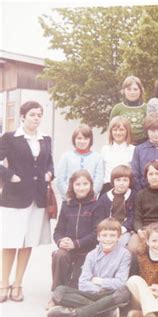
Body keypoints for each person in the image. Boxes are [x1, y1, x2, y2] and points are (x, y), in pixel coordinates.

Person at [0, 101, 54, 302]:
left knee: (27, 242)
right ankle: (3, 284)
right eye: (32, 114)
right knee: (9, 241)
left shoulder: (45, 139)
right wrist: (9, 175)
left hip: (36, 197)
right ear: (23, 116)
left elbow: (49, 162)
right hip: (14, 197)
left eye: (39, 115)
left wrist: (49, 173)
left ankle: (18, 285)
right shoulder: (10, 138)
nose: (36, 118)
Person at [47, 218, 132, 317]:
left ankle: (77, 313)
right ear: (98, 237)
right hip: (92, 293)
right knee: (59, 291)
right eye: (104, 235)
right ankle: (107, 311)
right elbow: (83, 283)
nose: (108, 239)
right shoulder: (92, 255)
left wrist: (100, 281)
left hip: (110, 294)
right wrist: (99, 289)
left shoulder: (124, 254)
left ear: (118, 237)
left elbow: (121, 282)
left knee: (125, 292)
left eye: (112, 236)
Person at [51, 170, 100, 295]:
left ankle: (71, 293)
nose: (81, 187)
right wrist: (61, 241)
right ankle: (57, 293)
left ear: (91, 185)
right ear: (72, 186)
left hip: (87, 251)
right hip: (68, 249)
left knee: (76, 286)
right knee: (59, 255)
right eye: (78, 184)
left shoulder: (96, 205)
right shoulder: (66, 205)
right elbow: (58, 231)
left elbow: (97, 233)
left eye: (85, 184)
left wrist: (76, 243)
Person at [56, 123, 104, 200]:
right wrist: (68, 196)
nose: (82, 141)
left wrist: (90, 195)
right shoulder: (66, 157)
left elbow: (99, 179)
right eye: (79, 138)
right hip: (69, 201)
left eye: (85, 138)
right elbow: (60, 180)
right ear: (74, 139)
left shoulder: (97, 157)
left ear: (90, 140)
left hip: (90, 201)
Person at [95, 165, 135, 249]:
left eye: (125, 180)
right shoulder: (105, 198)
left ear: (130, 182)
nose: (121, 183)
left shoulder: (133, 195)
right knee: (103, 245)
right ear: (113, 181)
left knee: (122, 242)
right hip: (108, 228)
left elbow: (133, 216)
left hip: (124, 229)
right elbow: (100, 217)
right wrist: (106, 229)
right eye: (118, 180)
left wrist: (123, 228)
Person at [133, 161, 158, 240]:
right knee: (133, 247)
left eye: (157, 174)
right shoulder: (140, 195)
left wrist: (157, 231)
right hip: (144, 229)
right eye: (150, 174)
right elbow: (137, 218)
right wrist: (139, 230)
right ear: (146, 177)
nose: (154, 177)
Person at [100, 115, 135, 195]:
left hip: (126, 188)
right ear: (111, 131)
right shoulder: (105, 149)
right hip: (108, 187)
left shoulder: (133, 150)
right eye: (115, 130)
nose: (118, 133)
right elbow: (101, 172)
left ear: (127, 131)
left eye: (121, 130)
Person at [110, 75, 148, 144]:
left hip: (143, 144)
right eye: (129, 89)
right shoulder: (117, 108)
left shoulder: (147, 108)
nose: (132, 92)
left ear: (141, 90)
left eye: (135, 89)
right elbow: (111, 130)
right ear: (123, 91)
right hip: (124, 144)